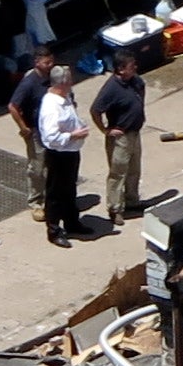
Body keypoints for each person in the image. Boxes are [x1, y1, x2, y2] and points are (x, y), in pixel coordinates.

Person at [90, 47, 149, 226]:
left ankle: (132, 201)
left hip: (135, 133)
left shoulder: (136, 81)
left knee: (134, 170)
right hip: (120, 137)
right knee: (118, 173)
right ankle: (115, 208)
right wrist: (106, 130)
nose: (135, 67)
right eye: (131, 66)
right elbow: (95, 110)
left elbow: (141, 91)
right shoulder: (111, 89)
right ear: (121, 69)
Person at [30, 64, 88, 248]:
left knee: (70, 188)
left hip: (71, 152)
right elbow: (50, 137)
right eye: (69, 81)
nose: (72, 83)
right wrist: (73, 135)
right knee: (55, 193)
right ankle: (54, 231)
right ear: (61, 84)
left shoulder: (65, 97)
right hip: (58, 154)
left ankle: (72, 223)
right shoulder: (51, 107)